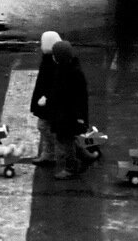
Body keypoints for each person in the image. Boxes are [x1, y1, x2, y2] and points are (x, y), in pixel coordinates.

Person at [48, 39, 89, 180]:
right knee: (68, 138)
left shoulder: (71, 73)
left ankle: (71, 167)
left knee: (67, 140)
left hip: (68, 115)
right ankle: (85, 156)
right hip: (64, 114)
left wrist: (78, 116)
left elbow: (76, 97)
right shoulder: (66, 69)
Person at [30, 30, 62, 166]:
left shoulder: (52, 62)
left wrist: (46, 98)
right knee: (45, 127)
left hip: (48, 102)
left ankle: (53, 152)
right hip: (46, 101)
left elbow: (52, 84)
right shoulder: (51, 59)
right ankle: (49, 154)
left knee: (44, 126)